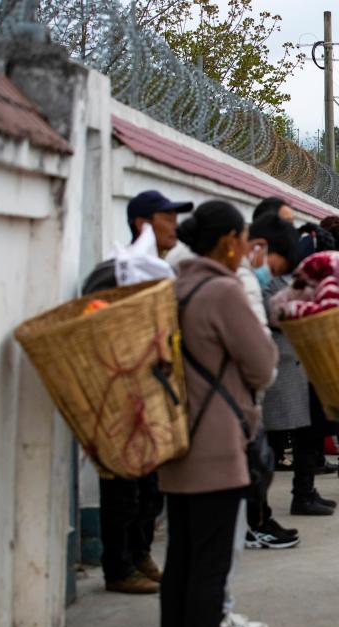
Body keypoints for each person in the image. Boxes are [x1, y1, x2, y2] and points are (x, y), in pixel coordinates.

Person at [162, 200, 277, 627]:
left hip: (179, 437)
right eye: (244, 239)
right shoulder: (225, 291)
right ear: (230, 240)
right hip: (218, 441)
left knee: (181, 559)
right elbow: (262, 365)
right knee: (210, 561)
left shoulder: (175, 286)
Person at [82, 189, 193, 595]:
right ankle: (118, 567)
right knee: (121, 486)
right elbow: (90, 316)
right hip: (118, 394)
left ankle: (140, 553)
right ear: (142, 223)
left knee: (150, 486)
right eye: (167, 217)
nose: (174, 225)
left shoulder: (161, 271)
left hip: (153, 392)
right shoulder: (115, 271)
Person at [258, 211, 337, 517]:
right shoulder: (264, 279)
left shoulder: (292, 277)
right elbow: (270, 313)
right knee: (269, 440)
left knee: (309, 433)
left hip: (304, 365)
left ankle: (304, 492)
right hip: (280, 364)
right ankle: (260, 509)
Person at [241, 213, 304, 545]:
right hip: (241, 393)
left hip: (250, 391)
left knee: (258, 460)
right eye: (278, 265)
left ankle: (260, 519)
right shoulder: (243, 282)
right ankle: (255, 525)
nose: (276, 273)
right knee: (253, 461)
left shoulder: (246, 278)